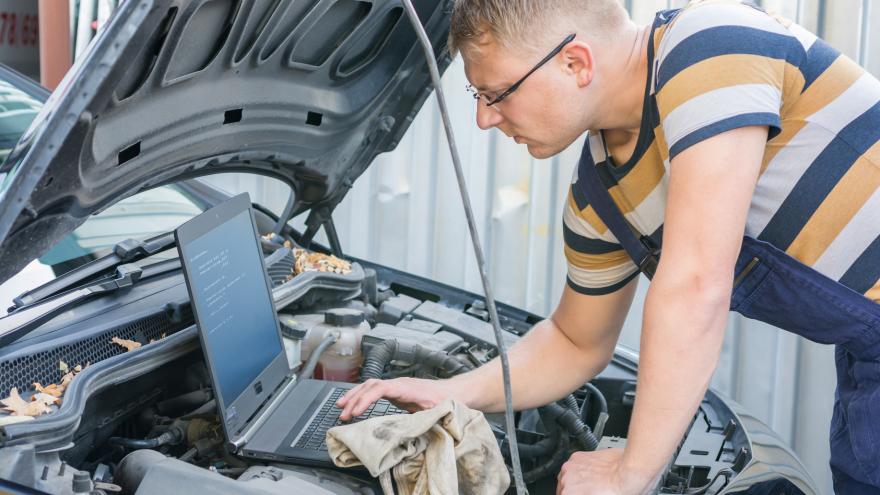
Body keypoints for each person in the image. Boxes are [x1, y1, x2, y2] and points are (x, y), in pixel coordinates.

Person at [337, 0, 880, 492]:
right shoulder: (602, 193)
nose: (483, 119)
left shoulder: (711, 45)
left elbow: (695, 284)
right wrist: (453, 392)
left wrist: (631, 472)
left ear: (575, 63)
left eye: (495, 94)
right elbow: (576, 340)